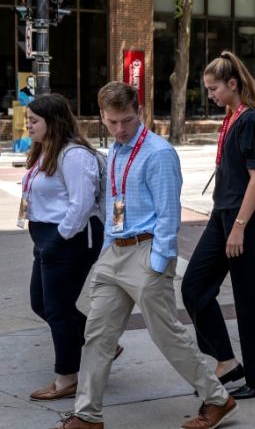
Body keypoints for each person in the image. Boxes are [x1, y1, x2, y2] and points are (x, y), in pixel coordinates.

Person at [55, 82, 235, 429]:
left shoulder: (158, 153)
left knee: (167, 334)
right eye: (112, 122)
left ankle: (217, 398)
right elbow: (112, 205)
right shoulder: (116, 152)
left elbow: (169, 214)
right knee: (97, 335)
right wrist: (107, 249)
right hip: (115, 253)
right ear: (102, 119)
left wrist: (157, 263)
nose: (120, 129)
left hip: (147, 250)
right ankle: (87, 415)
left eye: (126, 120)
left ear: (139, 111)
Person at [181, 51, 255, 400]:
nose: (210, 95)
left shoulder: (252, 120)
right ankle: (226, 362)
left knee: (250, 299)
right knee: (193, 287)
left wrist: (239, 226)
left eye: (214, 89)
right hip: (222, 214)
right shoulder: (233, 117)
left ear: (233, 84)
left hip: (246, 220)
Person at [23, 94, 106, 401]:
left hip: (70, 240)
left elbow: (81, 204)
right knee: (41, 304)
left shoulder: (74, 156)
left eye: (34, 121)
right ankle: (102, 343)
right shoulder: (46, 151)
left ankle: (66, 378)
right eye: (28, 120)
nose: (27, 125)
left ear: (53, 122)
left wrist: (58, 239)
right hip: (48, 239)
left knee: (57, 308)